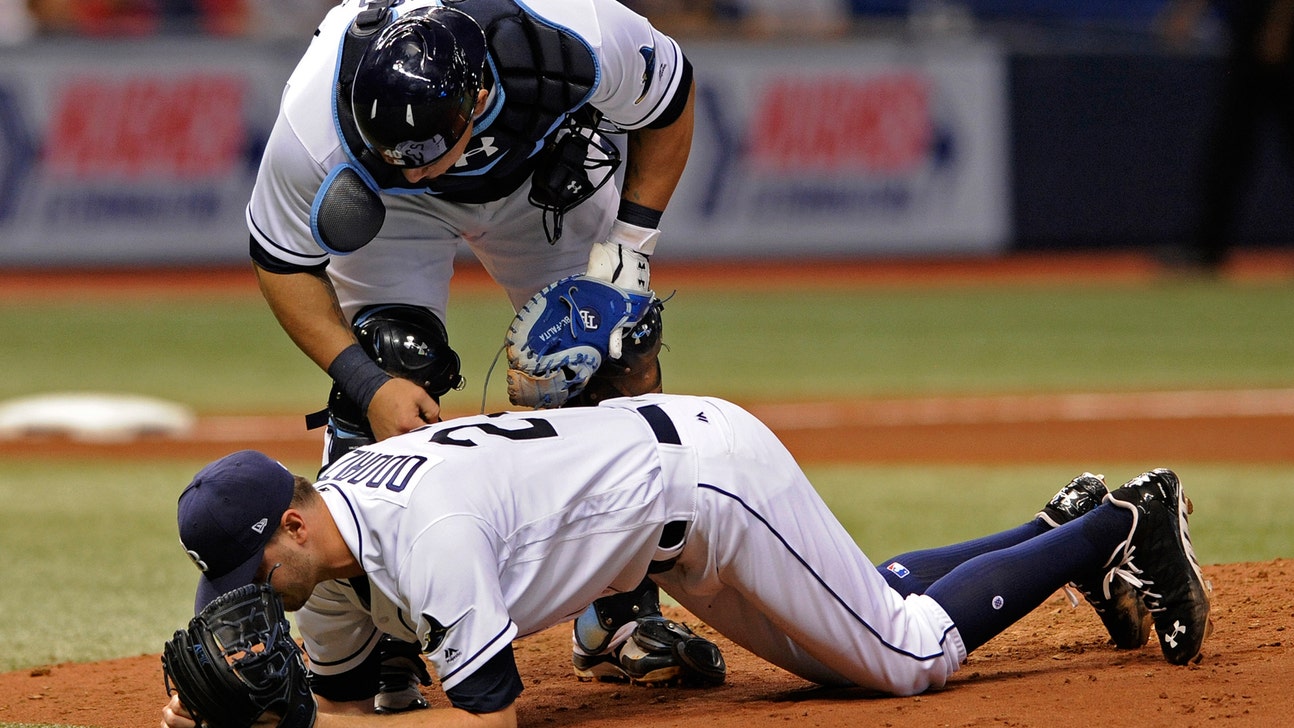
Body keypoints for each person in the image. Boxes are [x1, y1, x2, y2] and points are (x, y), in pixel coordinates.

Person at [162, 393, 1213, 727]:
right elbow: (346, 698)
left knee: (904, 656)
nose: (261, 608)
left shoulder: (421, 535)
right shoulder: (331, 536)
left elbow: (485, 717)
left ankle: (1118, 525)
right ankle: (1054, 523)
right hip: (658, 509)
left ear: (292, 527)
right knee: (864, 604)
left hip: (705, 481)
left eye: (256, 580)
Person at [243, 0, 706, 707]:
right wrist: (368, 382)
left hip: (536, 180)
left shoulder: (570, 31)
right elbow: (279, 260)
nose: (422, 169)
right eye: (403, 151)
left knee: (607, 350)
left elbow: (670, 100)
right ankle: (382, 635)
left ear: (480, 92)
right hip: (390, 207)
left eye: (429, 151)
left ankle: (619, 614)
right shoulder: (317, 118)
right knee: (392, 357)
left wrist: (628, 251)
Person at [1160, 0, 1294, 270]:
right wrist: (1187, 12)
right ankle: (1206, 247)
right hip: (1251, 28)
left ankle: (1206, 247)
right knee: (1228, 146)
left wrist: (1279, 26)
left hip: (1279, 28)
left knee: (1231, 144)